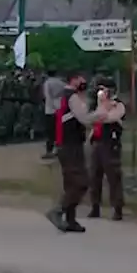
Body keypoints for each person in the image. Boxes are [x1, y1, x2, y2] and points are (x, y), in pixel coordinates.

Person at [45, 71, 112, 233]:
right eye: (82, 79)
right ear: (74, 79)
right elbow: (84, 118)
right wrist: (102, 114)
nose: (85, 82)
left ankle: (70, 219)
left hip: (65, 143)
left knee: (70, 182)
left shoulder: (65, 96)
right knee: (81, 182)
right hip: (70, 145)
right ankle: (59, 210)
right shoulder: (72, 97)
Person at [87, 77, 127, 221]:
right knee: (94, 176)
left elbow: (110, 118)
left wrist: (103, 108)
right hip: (97, 142)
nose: (101, 92)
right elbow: (90, 118)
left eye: (103, 89)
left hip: (111, 143)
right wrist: (101, 107)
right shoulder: (97, 104)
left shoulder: (118, 104)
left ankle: (117, 208)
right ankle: (95, 206)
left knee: (113, 176)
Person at [41, 69, 66, 159]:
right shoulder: (61, 83)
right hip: (60, 108)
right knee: (59, 130)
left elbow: (47, 95)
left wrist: (51, 105)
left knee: (50, 131)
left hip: (50, 109)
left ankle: (49, 151)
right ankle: (59, 149)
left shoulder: (47, 83)